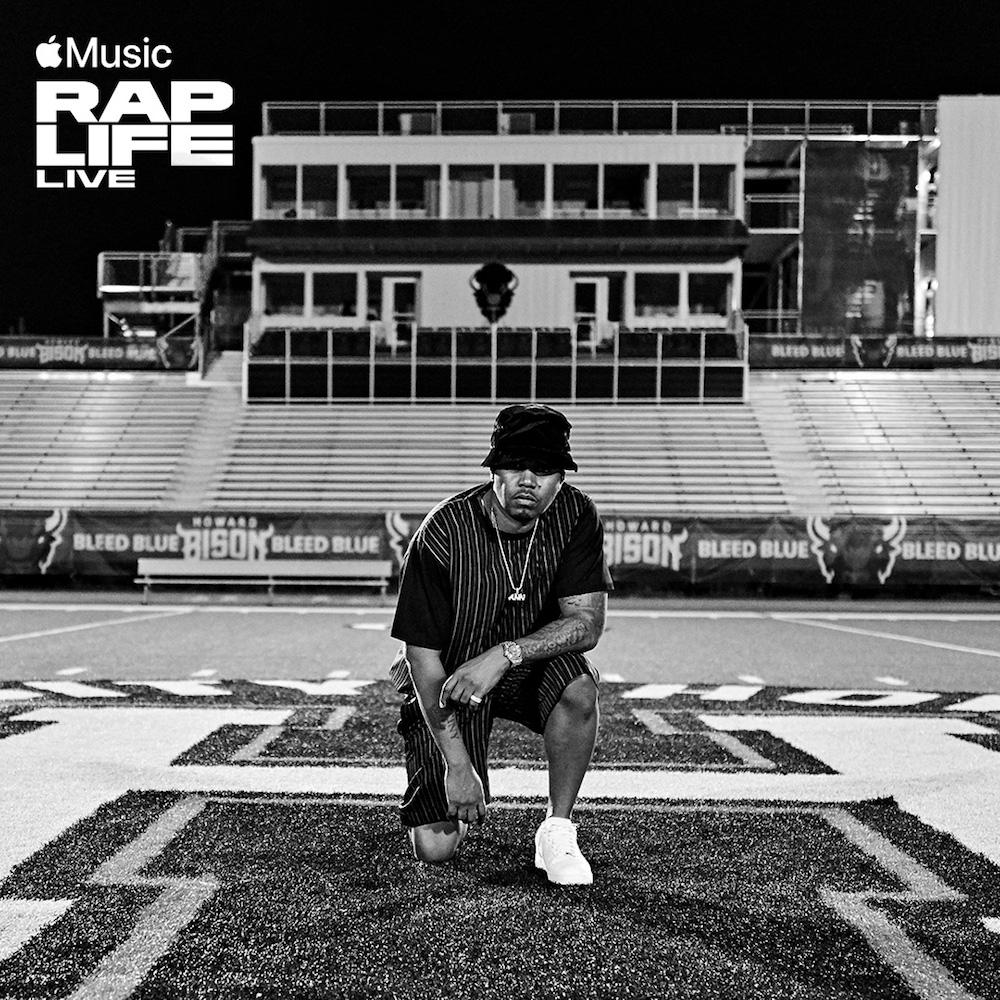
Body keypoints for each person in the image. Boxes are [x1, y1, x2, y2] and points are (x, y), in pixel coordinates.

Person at [390, 403, 613, 885]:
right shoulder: (444, 532)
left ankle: (557, 827)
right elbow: (421, 657)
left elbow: (587, 625)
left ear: (560, 477)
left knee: (578, 685)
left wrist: (506, 653)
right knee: (435, 847)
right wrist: (457, 765)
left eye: (544, 469)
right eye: (515, 466)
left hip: (526, 668)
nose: (528, 480)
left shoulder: (576, 515)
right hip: (452, 676)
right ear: (494, 471)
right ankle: (445, 763)